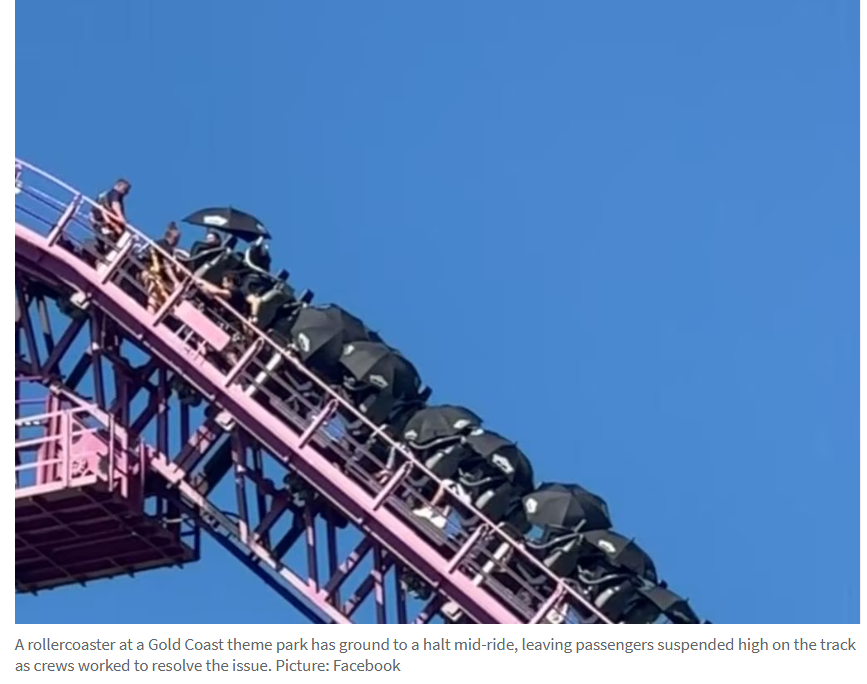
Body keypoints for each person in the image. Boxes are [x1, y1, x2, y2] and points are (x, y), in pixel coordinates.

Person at [142, 222, 183, 312]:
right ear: (173, 235)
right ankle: (150, 313)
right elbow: (166, 265)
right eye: (178, 237)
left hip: (154, 274)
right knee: (155, 291)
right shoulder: (165, 245)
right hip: (150, 272)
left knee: (162, 294)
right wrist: (175, 281)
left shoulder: (162, 244)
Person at [90, 178, 131, 253]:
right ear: (119, 186)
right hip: (107, 225)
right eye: (125, 190)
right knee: (121, 241)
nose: (126, 193)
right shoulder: (115, 193)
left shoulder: (103, 195)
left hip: (98, 224)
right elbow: (115, 205)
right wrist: (122, 219)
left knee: (104, 246)